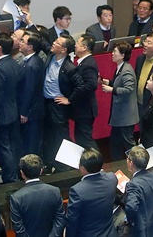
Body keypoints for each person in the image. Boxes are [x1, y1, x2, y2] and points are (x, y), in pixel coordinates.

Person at [9, 154, 66, 237]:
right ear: (41, 171)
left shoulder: (16, 198)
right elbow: (60, 218)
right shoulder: (54, 191)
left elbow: (18, 228)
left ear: (22, 173)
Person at [64, 148, 117, 237]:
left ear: (82, 168)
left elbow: (72, 221)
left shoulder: (77, 190)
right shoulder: (112, 178)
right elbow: (105, 174)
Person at [0, 33, 22, 182]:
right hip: (13, 111)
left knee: (4, 148)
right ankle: (14, 173)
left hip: (2, 114)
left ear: (0, 48)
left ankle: (10, 178)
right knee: (12, 146)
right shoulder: (13, 63)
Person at [44, 34, 77, 169]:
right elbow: (42, 41)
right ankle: (51, 163)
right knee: (49, 135)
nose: (53, 43)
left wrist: (69, 99)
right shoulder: (51, 56)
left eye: (57, 43)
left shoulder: (69, 67)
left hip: (58, 105)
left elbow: (81, 86)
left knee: (61, 136)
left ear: (64, 50)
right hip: (46, 103)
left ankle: (65, 167)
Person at [101, 41, 139, 160]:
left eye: (115, 52)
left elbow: (128, 89)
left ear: (122, 55)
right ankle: (117, 165)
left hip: (126, 116)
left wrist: (111, 89)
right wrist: (108, 82)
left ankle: (138, 162)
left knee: (128, 144)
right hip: (120, 116)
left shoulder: (126, 70)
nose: (112, 53)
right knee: (115, 143)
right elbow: (119, 82)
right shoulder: (121, 68)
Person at [124, 146, 153, 237]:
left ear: (131, 163)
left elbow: (131, 207)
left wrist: (129, 221)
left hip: (144, 231)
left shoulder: (133, 184)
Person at [16, 33, 46, 156]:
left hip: (31, 113)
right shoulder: (30, 61)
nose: (20, 43)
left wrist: (24, 112)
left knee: (30, 146)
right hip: (33, 111)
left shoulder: (32, 65)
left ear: (30, 47)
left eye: (23, 41)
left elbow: (29, 90)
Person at [70, 33, 100, 151]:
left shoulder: (89, 64)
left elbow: (91, 85)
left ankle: (97, 163)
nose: (75, 46)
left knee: (85, 139)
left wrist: (71, 98)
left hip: (85, 109)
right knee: (80, 138)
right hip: (82, 110)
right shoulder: (83, 62)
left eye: (78, 43)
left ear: (84, 47)